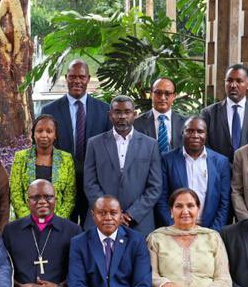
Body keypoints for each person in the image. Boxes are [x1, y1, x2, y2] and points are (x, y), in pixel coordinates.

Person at [40, 59, 111, 223]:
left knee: (93, 231)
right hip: (62, 186)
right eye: (72, 77)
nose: (77, 81)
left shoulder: (104, 110)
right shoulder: (50, 110)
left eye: (81, 77)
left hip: (95, 184)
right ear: (66, 78)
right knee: (63, 231)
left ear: (88, 78)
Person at [83, 95, 163, 235]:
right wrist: (109, 213)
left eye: (127, 112)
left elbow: (155, 187)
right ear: (110, 115)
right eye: (117, 112)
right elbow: (90, 183)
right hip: (102, 221)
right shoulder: (94, 144)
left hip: (138, 222)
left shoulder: (150, 144)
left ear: (134, 115)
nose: (122, 116)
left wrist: (131, 214)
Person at [156, 116, 231, 231]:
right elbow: (161, 199)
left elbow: (224, 203)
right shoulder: (167, 160)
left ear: (206, 135)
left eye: (200, 131)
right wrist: (174, 227)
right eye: (190, 131)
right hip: (175, 229)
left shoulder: (221, 162)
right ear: (182, 133)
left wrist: (213, 232)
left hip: (209, 229)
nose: (195, 135)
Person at [9, 114, 76, 220]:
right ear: (33, 134)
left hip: (57, 224)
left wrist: (55, 221)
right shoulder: (21, 157)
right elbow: (15, 193)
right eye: (39, 131)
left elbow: (70, 196)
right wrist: (30, 219)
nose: (44, 135)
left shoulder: (66, 159)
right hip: (27, 223)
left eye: (49, 131)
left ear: (55, 135)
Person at [200, 64, 248, 164]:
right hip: (219, 172)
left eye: (239, 81)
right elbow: (204, 144)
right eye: (229, 80)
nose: (233, 85)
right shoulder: (209, 113)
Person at [134, 77, 187, 153]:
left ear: (174, 96)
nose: (162, 98)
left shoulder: (185, 123)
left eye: (167, 93)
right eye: (158, 93)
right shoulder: (137, 123)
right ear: (151, 95)